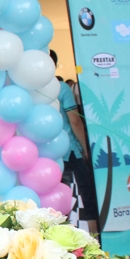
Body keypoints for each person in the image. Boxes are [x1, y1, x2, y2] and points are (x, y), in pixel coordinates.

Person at [49, 50, 97, 233]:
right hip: (69, 152)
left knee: (54, 203)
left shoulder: (28, 90)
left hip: (43, 157)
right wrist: (86, 149)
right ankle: (92, 242)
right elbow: (75, 121)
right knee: (86, 198)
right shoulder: (61, 88)